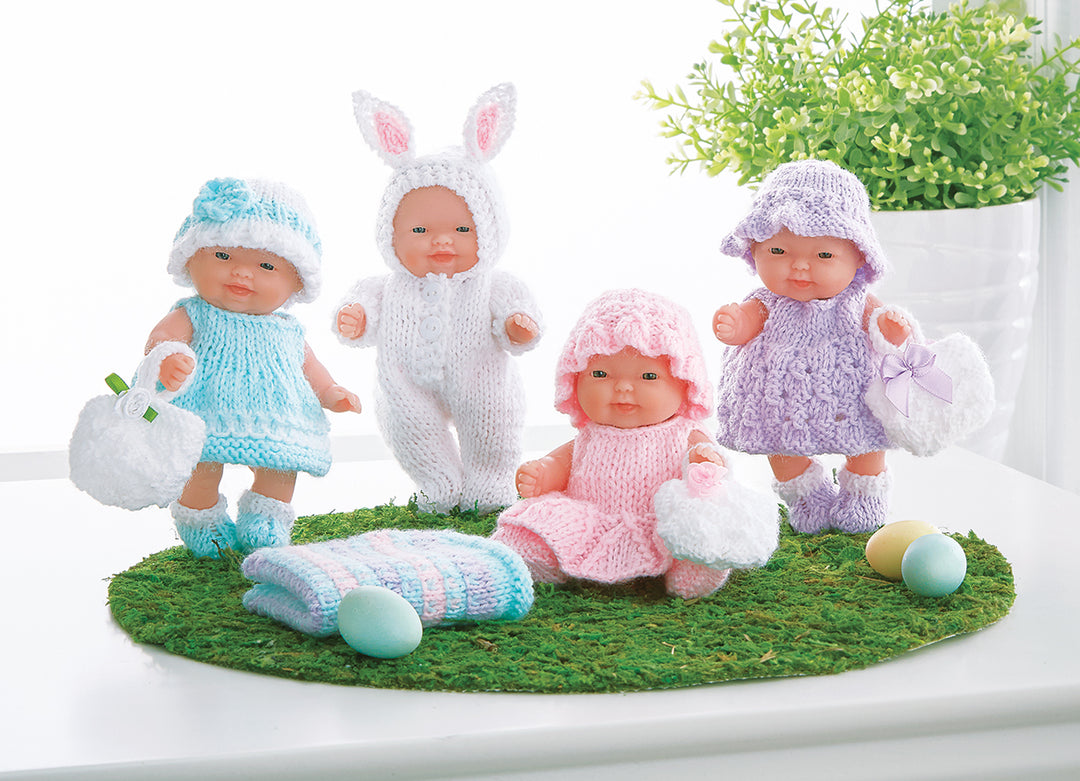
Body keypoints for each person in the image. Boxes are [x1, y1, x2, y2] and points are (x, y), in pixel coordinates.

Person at [336, 84, 542, 514]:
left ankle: (489, 482)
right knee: (410, 428)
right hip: (404, 380)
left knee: (491, 423)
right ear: (390, 234)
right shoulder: (387, 286)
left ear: (490, 229)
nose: (442, 240)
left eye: (462, 230)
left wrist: (516, 326)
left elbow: (517, 314)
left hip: (480, 374)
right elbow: (361, 306)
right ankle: (438, 482)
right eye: (420, 231)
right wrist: (355, 317)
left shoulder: (492, 284)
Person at [148, 177, 361, 558]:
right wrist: (167, 359)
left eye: (266, 265)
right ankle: (201, 521)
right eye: (223, 256)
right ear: (191, 259)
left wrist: (331, 393)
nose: (241, 274)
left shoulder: (288, 331)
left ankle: (267, 519)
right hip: (204, 410)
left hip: (277, 415)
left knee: (280, 467)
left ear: (296, 281)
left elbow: (311, 368)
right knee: (199, 466)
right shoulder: (193, 314)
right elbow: (162, 339)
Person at [712, 159, 911, 533]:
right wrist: (735, 324)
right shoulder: (766, 303)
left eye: (823, 255)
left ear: (859, 256)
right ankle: (806, 495)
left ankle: (864, 493)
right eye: (778, 252)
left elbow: (888, 328)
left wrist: (892, 328)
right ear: (755, 250)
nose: (799, 267)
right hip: (779, 398)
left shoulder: (858, 302)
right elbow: (747, 322)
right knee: (781, 448)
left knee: (867, 442)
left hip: (854, 396)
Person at [493, 289, 732, 599]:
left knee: (702, 526)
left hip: (662, 524)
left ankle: (693, 566)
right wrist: (544, 472)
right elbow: (563, 463)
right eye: (601, 374)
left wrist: (705, 461)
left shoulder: (685, 434)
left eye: (648, 376)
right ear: (574, 379)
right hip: (591, 520)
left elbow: (715, 468)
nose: (622, 388)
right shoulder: (589, 435)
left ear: (686, 384)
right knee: (532, 527)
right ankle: (544, 559)